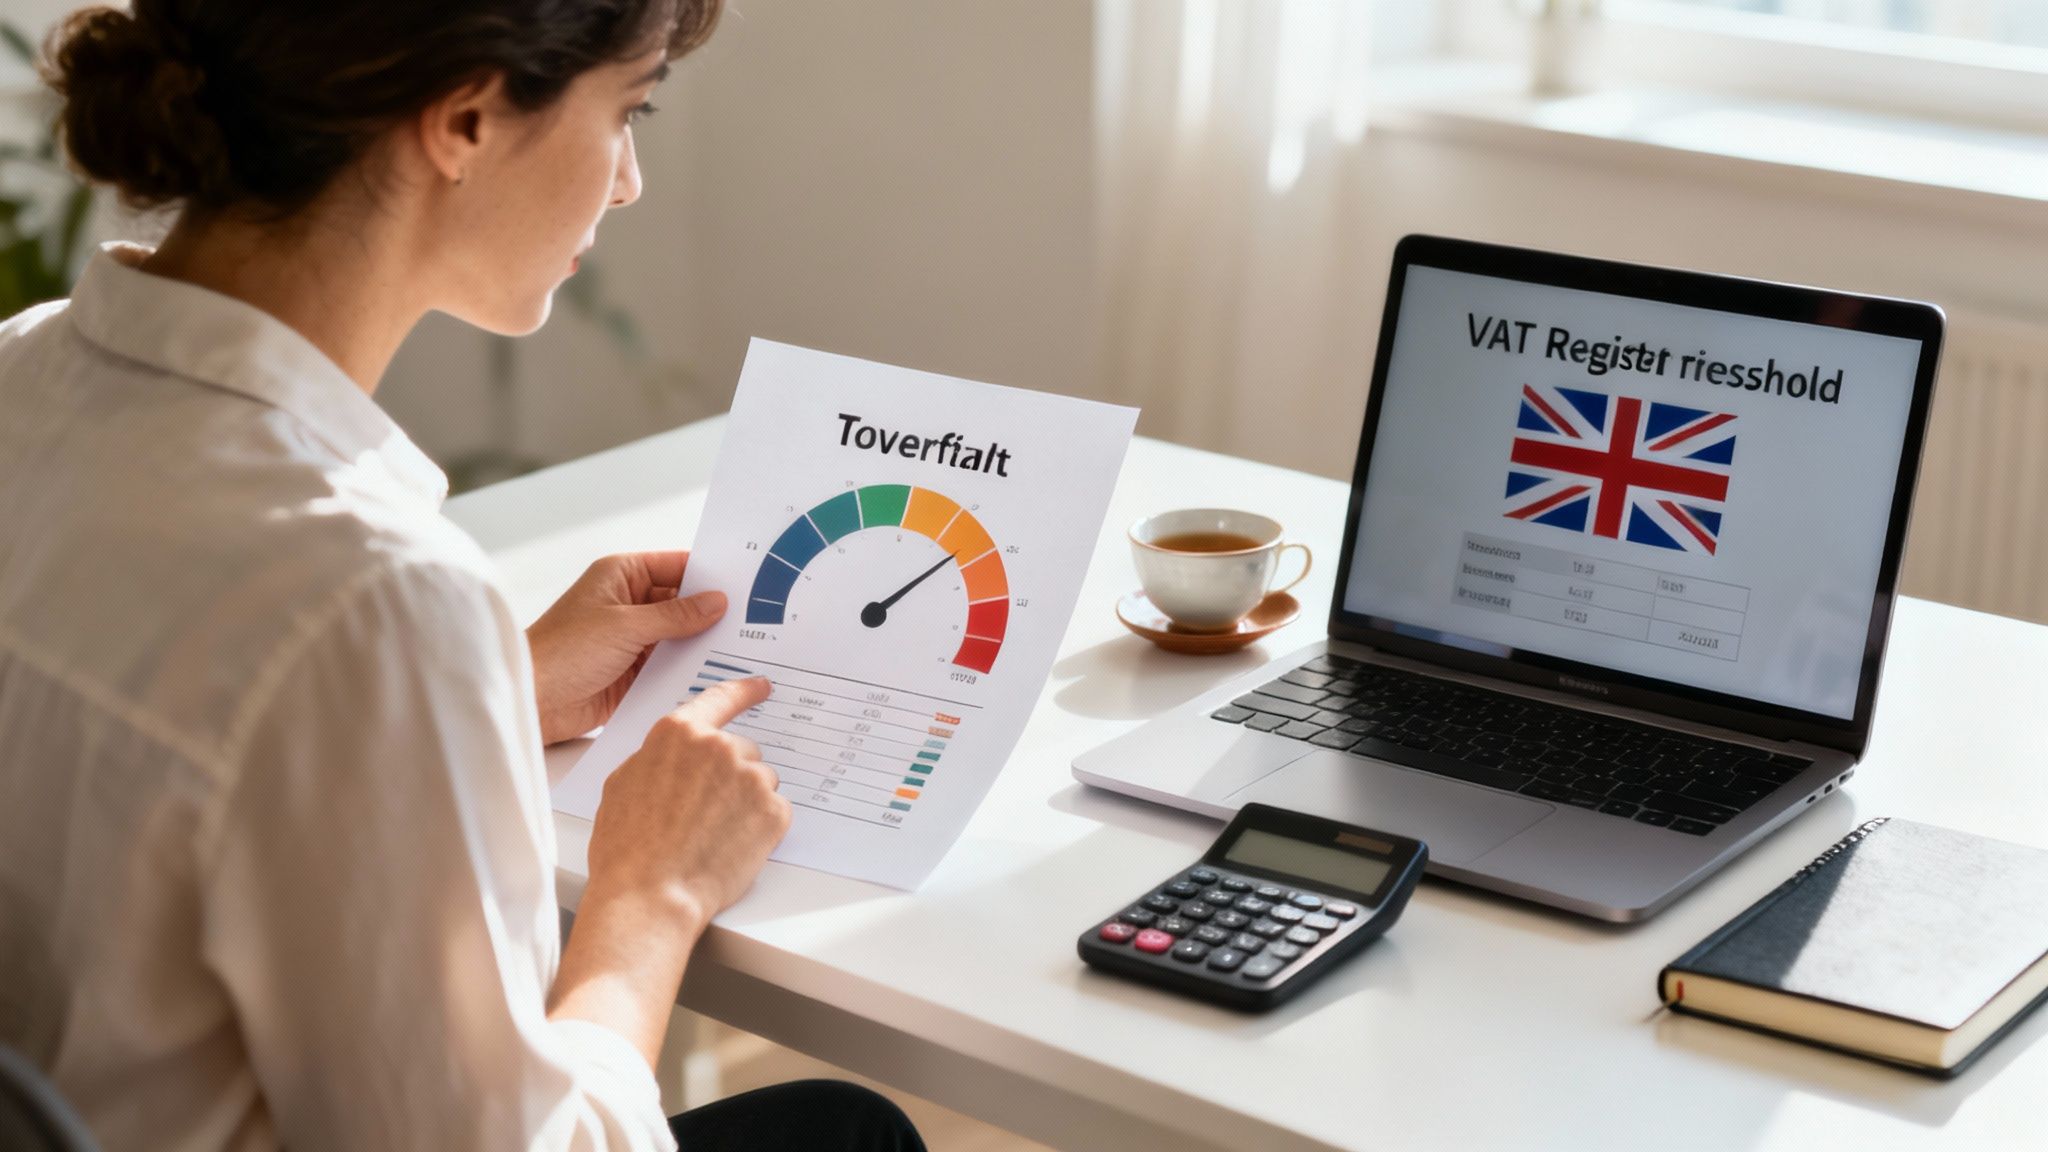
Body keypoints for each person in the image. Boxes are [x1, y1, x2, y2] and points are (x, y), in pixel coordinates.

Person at [0, 2, 925, 1150]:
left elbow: (170, 731)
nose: (628, 180)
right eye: (625, 110)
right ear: (468, 119)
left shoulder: (24, 370)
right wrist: (650, 900)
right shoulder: (363, 595)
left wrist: (496, 684)